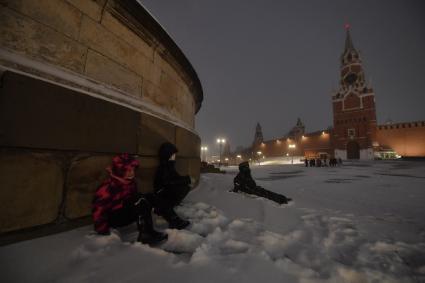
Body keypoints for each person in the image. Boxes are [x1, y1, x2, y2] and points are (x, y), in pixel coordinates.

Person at [92, 154, 168, 245]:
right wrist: (103, 231)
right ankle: (146, 235)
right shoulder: (108, 187)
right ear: (120, 170)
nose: (131, 173)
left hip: (125, 212)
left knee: (149, 196)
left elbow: (133, 200)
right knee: (140, 200)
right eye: (127, 170)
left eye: (132, 170)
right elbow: (98, 210)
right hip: (114, 219)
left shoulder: (130, 183)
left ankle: (172, 219)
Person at [153, 142, 192, 230]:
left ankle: (171, 207)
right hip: (162, 194)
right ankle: (174, 220)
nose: (174, 157)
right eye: (173, 155)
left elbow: (176, 178)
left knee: (185, 186)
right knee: (181, 187)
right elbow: (168, 181)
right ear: (167, 155)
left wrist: (186, 179)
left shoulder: (169, 166)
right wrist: (186, 179)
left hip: (166, 192)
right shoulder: (164, 167)